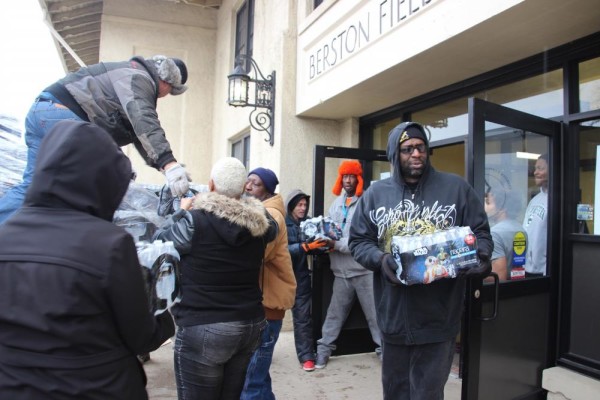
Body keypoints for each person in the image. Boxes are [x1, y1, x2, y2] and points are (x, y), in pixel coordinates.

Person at [0, 120, 175, 399]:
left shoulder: (5, 235)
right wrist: (165, 316)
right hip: (94, 388)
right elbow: (141, 336)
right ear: (102, 180)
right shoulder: (109, 245)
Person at [349, 121, 493, 400]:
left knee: (428, 394)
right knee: (396, 393)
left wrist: (482, 257)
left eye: (420, 147)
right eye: (407, 149)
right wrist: (380, 259)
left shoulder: (456, 189)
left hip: (439, 317)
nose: (416, 154)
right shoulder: (376, 195)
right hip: (392, 316)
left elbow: (482, 235)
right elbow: (358, 241)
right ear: (395, 155)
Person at [0, 55, 190, 224]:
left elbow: (139, 135)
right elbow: (143, 119)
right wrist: (169, 164)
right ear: (167, 82)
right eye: (171, 91)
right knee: (100, 177)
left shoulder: (131, 74)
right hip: (63, 116)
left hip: (43, 112)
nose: (166, 96)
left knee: (33, 186)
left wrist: (164, 166)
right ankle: (86, 238)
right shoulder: (139, 78)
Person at [153, 157, 275, 400]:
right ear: (243, 189)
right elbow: (271, 226)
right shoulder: (262, 225)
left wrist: (182, 211)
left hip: (204, 323)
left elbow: (159, 241)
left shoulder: (193, 221)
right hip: (249, 324)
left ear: (210, 185)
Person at [315, 160, 382, 369]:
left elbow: (365, 241)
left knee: (376, 317)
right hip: (340, 272)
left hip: (364, 271)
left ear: (358, 179)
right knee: (334, 316)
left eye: (351, 176)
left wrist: (336, 244)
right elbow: (331, 231)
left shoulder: (366, 204)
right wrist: (322, 241)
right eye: (344, 176)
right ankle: (322, 352)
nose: (347, 180)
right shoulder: (335, 204)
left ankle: (386, 354)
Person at [241, 168, 297, 400]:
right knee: (259, 376)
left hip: (269, 305)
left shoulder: (271, 215)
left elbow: (259, 254)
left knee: (251, 380)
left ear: (267, 191)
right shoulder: (258, 210)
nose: (248, 186)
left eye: (256, 184)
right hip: (261, 302)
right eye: (248, 181)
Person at [284, 189, 330, 372]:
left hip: (301, 277)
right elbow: (280, 251)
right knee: (269, 320)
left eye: (305, 204)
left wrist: (323, 246)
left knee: (303, 318)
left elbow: (313, 247)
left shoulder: (309, 223)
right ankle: (258, 354)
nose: (303, 208)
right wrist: (303, 247)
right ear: (291, 206)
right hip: (282, 278)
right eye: (299, 205)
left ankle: (306, 357)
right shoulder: (282, 223)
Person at [484, 188, 528, 281]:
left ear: (502, 209)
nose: (485, 207)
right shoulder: (521, 229)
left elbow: (498, 277)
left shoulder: (495, 234)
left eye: (488, 203)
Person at [523, 153, 548, 277]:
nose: (535, 172)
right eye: (535, 168)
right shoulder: (534, 200)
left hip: (544, 271)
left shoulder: (556, 201)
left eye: (540, 168)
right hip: (527, 267)